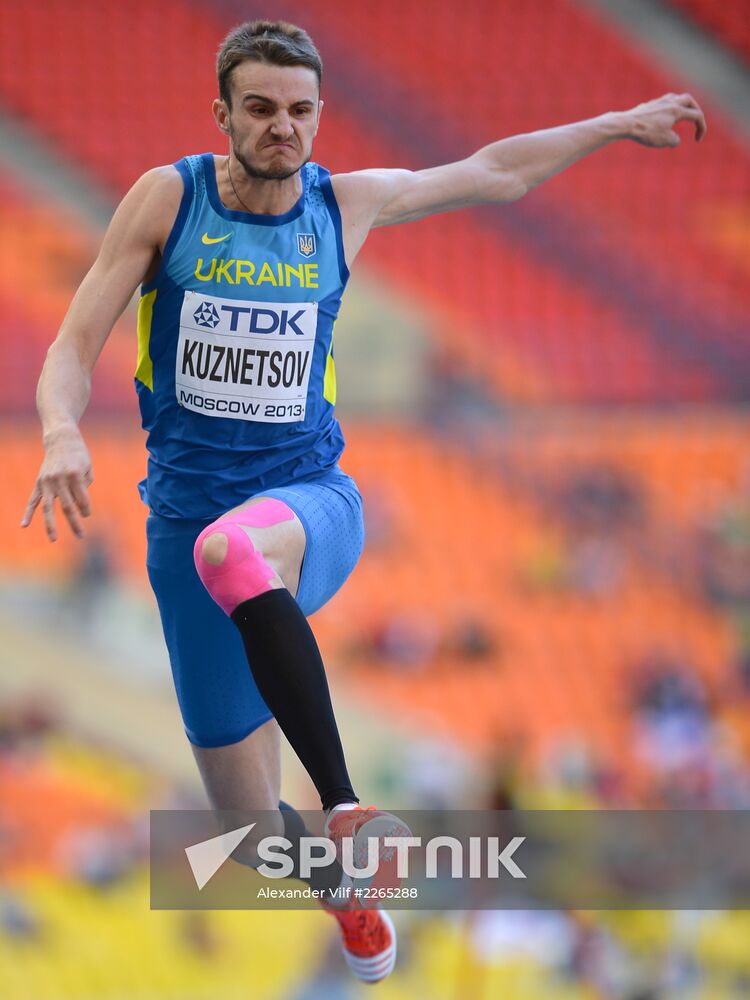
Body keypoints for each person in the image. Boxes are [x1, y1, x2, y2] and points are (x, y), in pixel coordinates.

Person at [21, 18, 706, 983]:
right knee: (246, 830)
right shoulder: (165, 202)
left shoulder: (345, 207)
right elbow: (72, 342)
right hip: (183, 531)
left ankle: (345, 803)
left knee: (237, 552)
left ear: (319, 117)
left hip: (309, 505)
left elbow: (493, 171)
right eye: (259, 110)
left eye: (300, 112)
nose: (282, 129)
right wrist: (58, 431)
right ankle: (345, 892)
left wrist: (615, 120)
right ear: (222, 112)